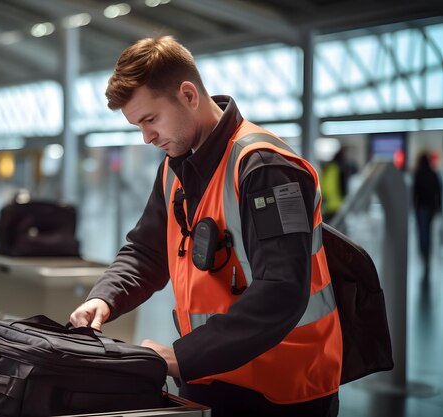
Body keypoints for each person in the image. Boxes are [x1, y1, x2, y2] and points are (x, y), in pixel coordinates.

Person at [70, 36, 342, 417]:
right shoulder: (174, 167)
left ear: (188, 95)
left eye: (150, 119)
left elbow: (281, 290)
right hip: (212, 375)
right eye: (137, 124)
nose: (146, 137)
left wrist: (180, 355)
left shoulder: (265, 168)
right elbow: (146, 251)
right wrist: (104, 298)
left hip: (282, 389)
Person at [413, 151, 442, 279]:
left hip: (421, 208)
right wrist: (438, 206)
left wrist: (414, 206)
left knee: (422, 232)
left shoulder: (419, 174)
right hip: (430, 207)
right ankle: (427, 254)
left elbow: (415, 192)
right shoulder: (433, 173)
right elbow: (438, 191)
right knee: (428, 231)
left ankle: (424, 254)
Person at [320, 148, 347, 223]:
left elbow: (324, 186)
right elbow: (329, 186)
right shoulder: (337, 169)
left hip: (328, 204)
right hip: (335, 204)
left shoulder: (329, 168)